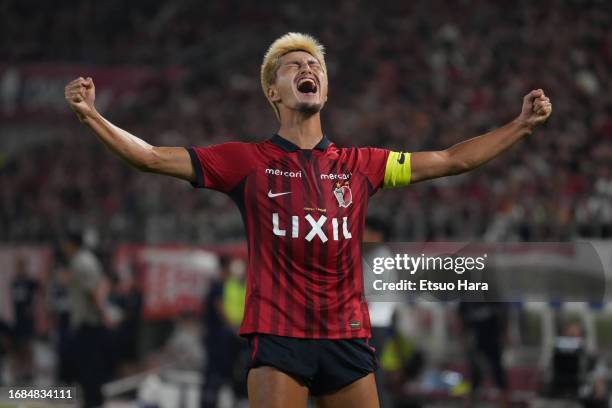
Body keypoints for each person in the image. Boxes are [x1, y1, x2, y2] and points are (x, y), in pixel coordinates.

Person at [64, 32, 552, 408]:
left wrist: (521, 126)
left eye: (314, 64)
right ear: (274, 92)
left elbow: (449, 160)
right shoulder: (245, 161)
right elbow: (150, 156)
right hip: (279, 341)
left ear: (324, 86)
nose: (307, 68)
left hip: (348, 341)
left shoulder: (364, 164)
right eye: (293, 65)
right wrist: (92, 116)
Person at [62, 231, 113, 408]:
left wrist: (103, 313)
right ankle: (94, 401)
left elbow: (92, 292)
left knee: (88, 368)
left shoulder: (81, 262)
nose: (63, 247)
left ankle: (92, 402)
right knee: (92, 366)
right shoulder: (88, 259)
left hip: (88, 323)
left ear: (71, 244)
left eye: (65, 243)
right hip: (90, 322)